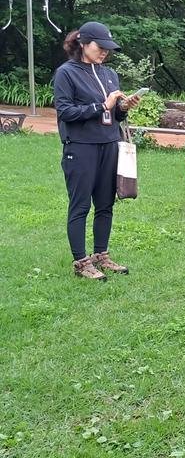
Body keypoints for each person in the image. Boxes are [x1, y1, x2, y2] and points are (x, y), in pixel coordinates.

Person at [53, 21, 140, 281]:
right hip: (81, 147)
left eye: (107, 48)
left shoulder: (109, 74)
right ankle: (81, 262)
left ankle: (101, 255)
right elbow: (65, 112)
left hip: (109, 145)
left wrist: (123, 108)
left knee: (105, 204)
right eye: (99, 46)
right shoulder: (66, 73)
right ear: (82, 43)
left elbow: (113, 115)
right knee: (80, 205)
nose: (104, 52)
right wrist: (102, 105)